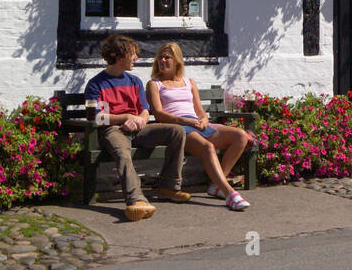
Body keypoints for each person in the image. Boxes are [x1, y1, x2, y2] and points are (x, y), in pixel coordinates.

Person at [83, 35, 189, 220]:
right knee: (122, 152)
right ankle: (136, 200)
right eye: (133, 54)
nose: (136, 59)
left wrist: (140, 119)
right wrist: (125, 117)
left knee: (177, 131)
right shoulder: (96, 84)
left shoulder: (135, 81)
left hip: (139, 129)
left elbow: (145, 111)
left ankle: (169, 186)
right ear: (119, 55)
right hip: (113, 130)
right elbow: (99, 117)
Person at [147, 42, 253, 211]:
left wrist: (203, 120)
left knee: (240, 136)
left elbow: (200, 111)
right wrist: (185, 121)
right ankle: (230, 194)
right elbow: (159, 114)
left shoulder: (189, 82)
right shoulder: (154, 84)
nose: (162, 60)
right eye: (160, 57)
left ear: (177, 61)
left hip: (196, 124)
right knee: (207, 147)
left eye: (167, 57)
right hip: (177, 128)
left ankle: (217, 185)